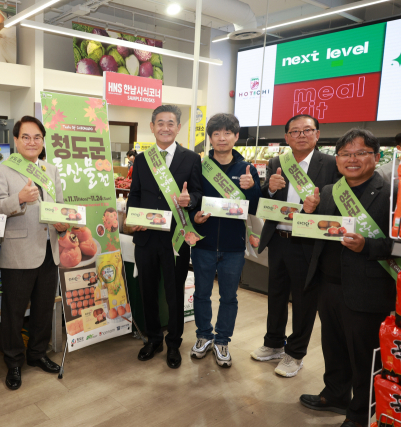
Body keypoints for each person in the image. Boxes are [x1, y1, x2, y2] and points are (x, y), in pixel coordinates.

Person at [299, 129, 395, 427]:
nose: (352, 160)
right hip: (328, 286)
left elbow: (398, 244)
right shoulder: (328, 191)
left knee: (364, 356)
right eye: (345, 154)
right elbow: (315, 234)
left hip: (367, 290)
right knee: (333, 346)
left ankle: (358, 413)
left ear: (376, 157)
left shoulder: (391, 193)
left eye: (360, 153)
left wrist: (367, 245)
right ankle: (335, 394)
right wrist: (308, 212)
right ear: (337, 159)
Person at [251, 114, 339, 378]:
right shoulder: (278, 161)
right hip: (278, 238)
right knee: (276, 295)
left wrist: (318, 205)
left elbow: (336, 205)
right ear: (287, 137)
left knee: (304, 300)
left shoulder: (332, 164)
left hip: (308, 243)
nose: (301, 135)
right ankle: (274, 343)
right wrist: (270, 189)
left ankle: (295, 353)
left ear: (317, 134)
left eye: (307, 130)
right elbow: (268, 199)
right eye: (295, 131)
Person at [0, 116, 68, 390]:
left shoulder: (50, 168)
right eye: (26, 137)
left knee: (44, 308)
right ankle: (13, 362)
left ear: (43, 141)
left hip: (49, 249)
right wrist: (19, 199)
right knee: (13, 311)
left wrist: (62, 222)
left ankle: (37, 354)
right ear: (16, 140)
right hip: (19, 250)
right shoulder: (3, 170)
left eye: (37, 137)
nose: (32, 141)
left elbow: (58, 204)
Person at [126, 104, 203, 369]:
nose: (165, 128)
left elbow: (197, 193)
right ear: (152, 127)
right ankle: (153, 339)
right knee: (147, 290)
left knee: (174, 293)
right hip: (146, 237)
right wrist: (132, 219)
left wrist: (189, 199)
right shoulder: (143, 159)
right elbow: (135, 194)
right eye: (160, 123)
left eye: (171, 123)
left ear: (178, 128)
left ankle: (173, 344)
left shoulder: (191, 158)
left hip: (176, 238)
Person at [189, 113, 261, 367]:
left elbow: (254, 207)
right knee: (201, 294)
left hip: (233, 247)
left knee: (229, 296)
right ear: (210, 138)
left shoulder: (247, 168)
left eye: (227, 133)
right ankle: (203, 336)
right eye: (216, 133)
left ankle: (222, 341)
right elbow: (193, 199)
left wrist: (252, 187)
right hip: (203, 243)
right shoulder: (198, 165)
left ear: (236, 136)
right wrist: (194, 217)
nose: (222, 138)